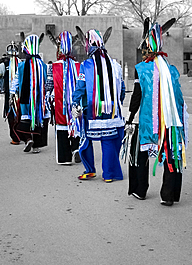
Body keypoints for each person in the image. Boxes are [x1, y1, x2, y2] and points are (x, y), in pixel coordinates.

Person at [126, 18, 189, 206]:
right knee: (171, 153)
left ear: (147, 48)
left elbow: (137, 96)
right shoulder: (171, 70)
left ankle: (140, 190)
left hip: (148, 122)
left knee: (139, 153)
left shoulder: (142, 68)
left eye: (143, 49)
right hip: (170, 121)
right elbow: (178, 97)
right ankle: (169, 195)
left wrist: (130, 118)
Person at [72, 27, 125, 182]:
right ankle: (109, 175)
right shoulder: (116, 66)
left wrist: (75, 103)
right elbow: (121, 88)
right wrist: (116, 104)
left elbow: (81, 87)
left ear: (88, 46)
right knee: (108, 140)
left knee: (86, 138)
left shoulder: (86, 65)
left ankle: (90, 170)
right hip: (111, 111)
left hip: (91, 110)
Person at [10, 34, 49, 153]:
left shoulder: (22, 65)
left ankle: (27, 139)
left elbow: (16, 80)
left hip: (26, 99)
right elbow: (47, 81)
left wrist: (12, 92)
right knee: (38, 119)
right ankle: (36, 145)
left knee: (24, 118)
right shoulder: (43, 65)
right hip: (39, 99)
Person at [46, 30, 81, 165]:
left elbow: (49, 86)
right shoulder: (78, 66)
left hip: (59, 103)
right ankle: (76, 148)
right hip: (75, 103)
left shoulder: (53, 67)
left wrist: (48, 97)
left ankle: (65, 157)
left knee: (62, 125)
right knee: (76, 122)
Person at [0, 42, 21, 145]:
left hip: (11, 94)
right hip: (19, 93)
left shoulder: (4, 64)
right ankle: (21, 135)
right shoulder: (22, 63)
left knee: (11, 114)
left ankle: (15, 137)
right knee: (20, 114)